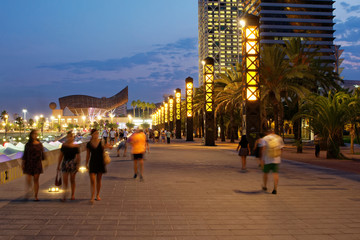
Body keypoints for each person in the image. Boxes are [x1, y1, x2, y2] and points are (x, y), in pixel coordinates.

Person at [86, 129, 112, 203]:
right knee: (92, 180)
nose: (96, 135)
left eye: (97, 133)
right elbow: (88, 154)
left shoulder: (101, 142)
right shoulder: (89, 144)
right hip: (92, 162)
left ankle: (97, 195)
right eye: (95, 133)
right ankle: (92, 196)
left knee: (98, 180)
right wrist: (86, 164)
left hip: (100, 162)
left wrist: (109, 147)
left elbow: (106, 147)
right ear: (92, 135)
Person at [22, 130, 45, 201]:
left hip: (37, 163)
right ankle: (30, 189)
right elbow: (25, 154)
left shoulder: (40, 144)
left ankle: (36, 195)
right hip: (29, 163)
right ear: (31, 135)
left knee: (36, 179)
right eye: (34, 134)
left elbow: (43, 154)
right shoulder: (27, 144)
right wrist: (23, 163)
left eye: (36, 134)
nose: (35, 135)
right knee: (28, 179)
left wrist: (45, 162)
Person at [57, 131, 80, 201]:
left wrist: (78, 165)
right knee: (65, 181)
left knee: (72, 180)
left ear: (73, 137)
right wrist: (58, 165)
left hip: (73, 163)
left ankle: (72, 195)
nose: (70, 138)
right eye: (69, 137)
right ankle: (64, 195)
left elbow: (78, 157)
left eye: (71, 136)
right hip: (65, 163)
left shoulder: (76, 146)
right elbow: (60, 156)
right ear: (67, 137)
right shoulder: (64, 146)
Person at [260, 129, 284, 194]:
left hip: (267, 159)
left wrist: (262, 159)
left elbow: (263, 149)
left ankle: (265, 186)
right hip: (276, 158)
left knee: (265, 173)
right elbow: (281, 149)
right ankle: (275, 189)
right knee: (275, 174)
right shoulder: (278, 138)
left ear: (267, 132)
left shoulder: (265, 138)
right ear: (273, 132)